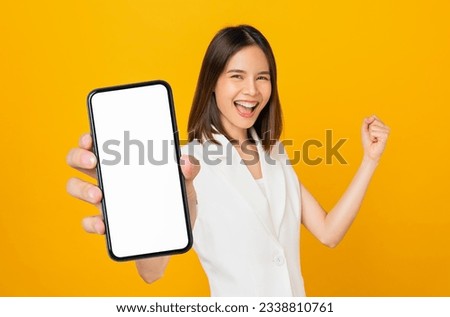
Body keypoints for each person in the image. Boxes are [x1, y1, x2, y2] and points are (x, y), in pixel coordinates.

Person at [66, 25, 390, 296]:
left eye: (262, 78)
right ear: (213, 83)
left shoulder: (275, 154)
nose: (252, 90)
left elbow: (328, 232)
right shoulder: (187, 162)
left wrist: (370, 161)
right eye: (237, 76)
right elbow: (151, 271)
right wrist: (137, 218)